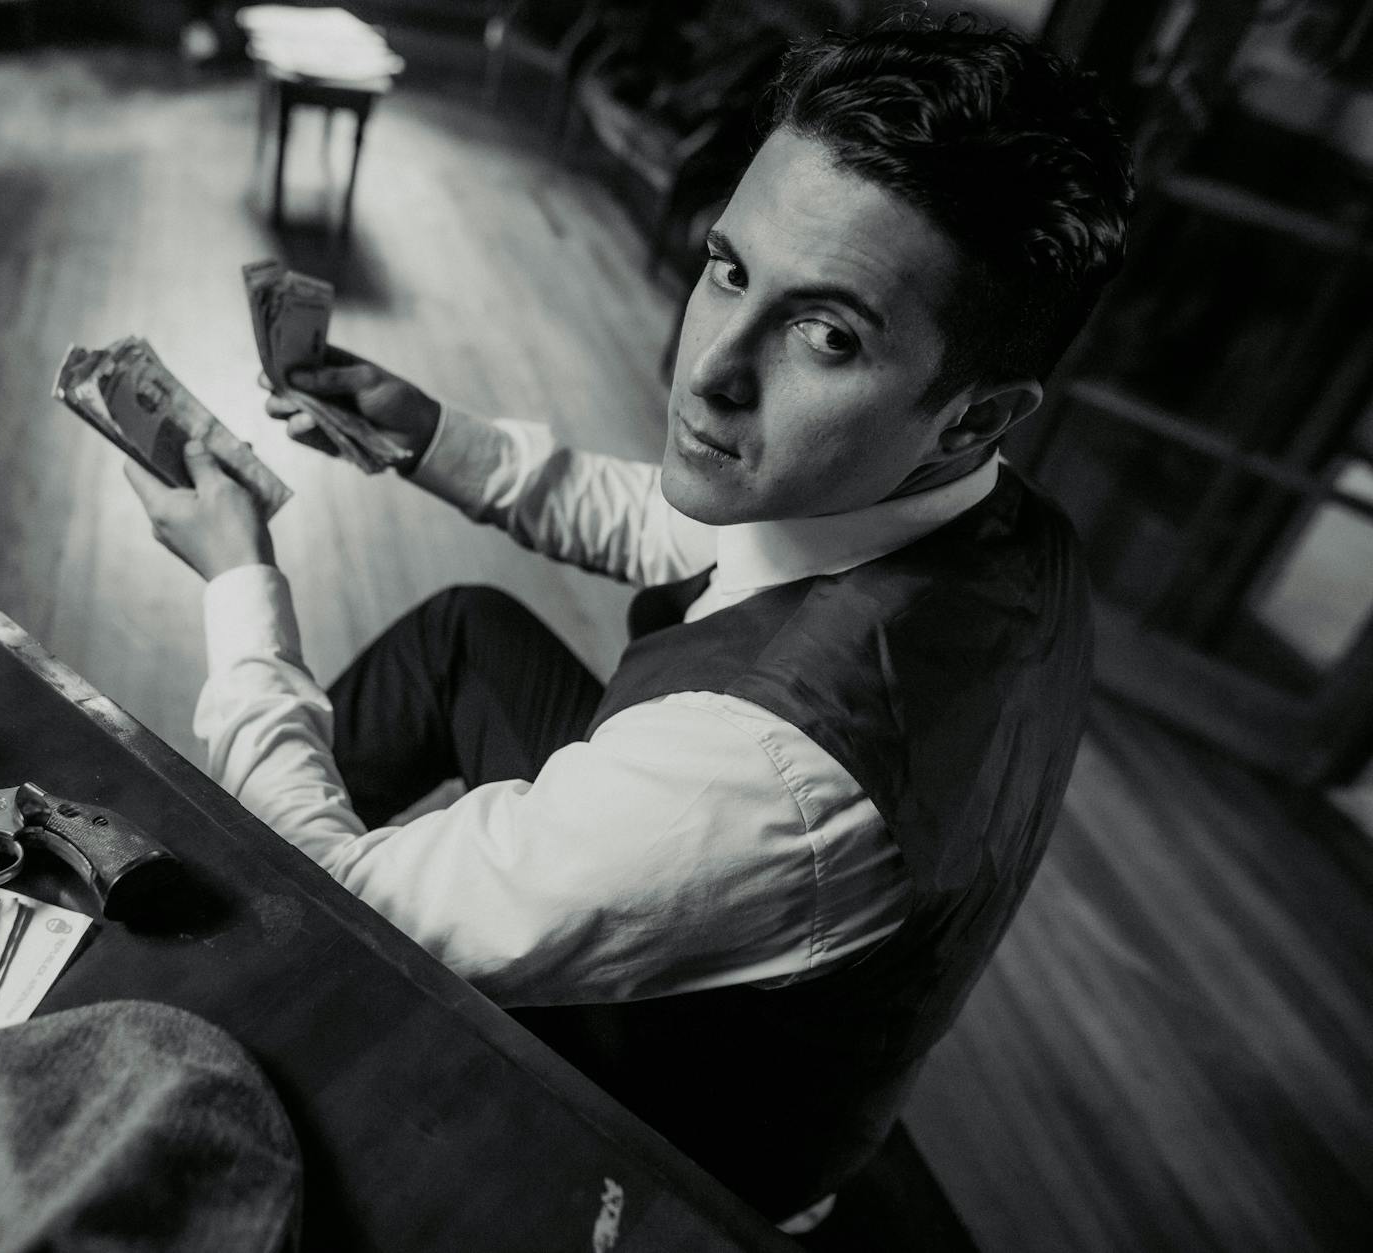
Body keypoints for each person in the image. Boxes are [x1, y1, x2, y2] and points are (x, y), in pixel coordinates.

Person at [124, 14, 1132, 1228]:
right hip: (765, 973)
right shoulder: (992, 519)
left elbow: (359, 895)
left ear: (973, 415)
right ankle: (240, 888)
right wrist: (427, 431)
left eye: (827, 334)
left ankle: (240, 932)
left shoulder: (761, 776)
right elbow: (672, 524)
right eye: (727, 269)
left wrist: (238, 579)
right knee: (466, 632)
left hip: (665, 1130)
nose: (708, 367)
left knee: (321, 903)